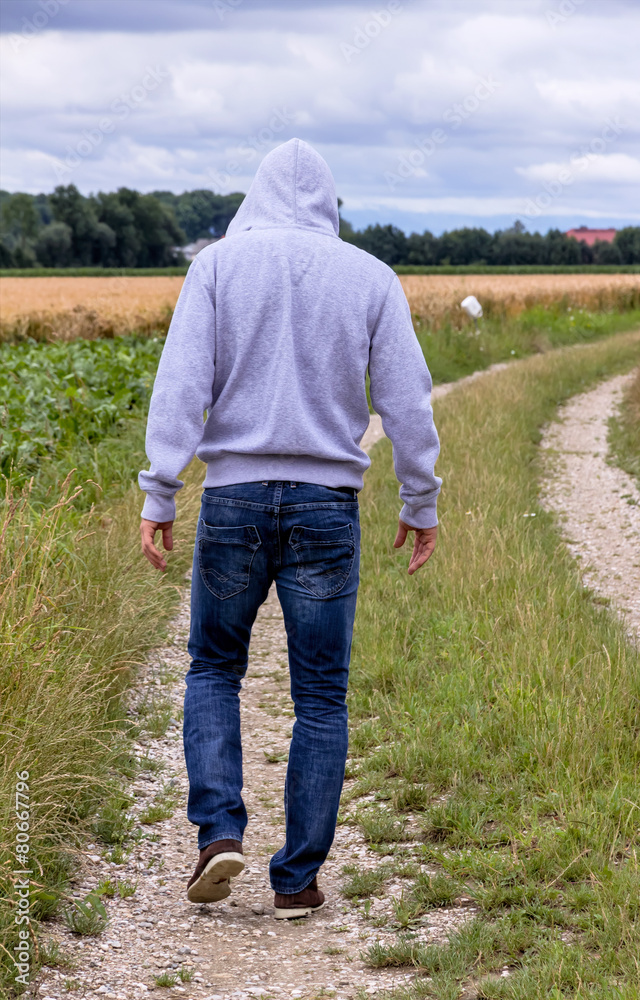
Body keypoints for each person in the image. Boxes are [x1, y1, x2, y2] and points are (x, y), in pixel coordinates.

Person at [139, 138, 441, 919]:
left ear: (256, 193)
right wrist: (420, 501)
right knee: (320, 696)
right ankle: (298, 879)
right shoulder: (371, 277)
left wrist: (160, 489)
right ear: (329, 202)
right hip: (326, 507)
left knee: (213, 667)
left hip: (233, 500)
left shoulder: (214, 267)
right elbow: (406, 399)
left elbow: (181, 383)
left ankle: (217, 832)